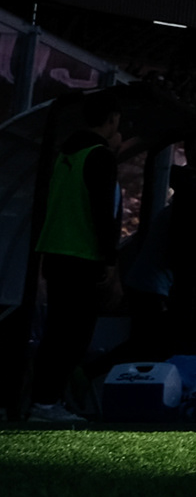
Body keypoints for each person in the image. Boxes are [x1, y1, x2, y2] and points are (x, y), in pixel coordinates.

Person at [23, 99, 128, 423]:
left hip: (55, 250)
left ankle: (42, 399)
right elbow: (102, 212)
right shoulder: (99, 156)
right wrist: (109, 260)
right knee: (73, 334)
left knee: (57, 331)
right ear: (111, 119)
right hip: (82, 254)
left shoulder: (65, 154)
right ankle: (47, 401)